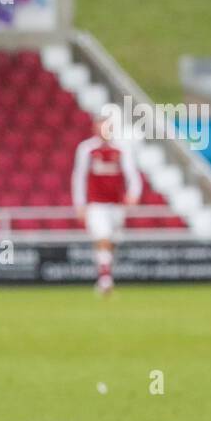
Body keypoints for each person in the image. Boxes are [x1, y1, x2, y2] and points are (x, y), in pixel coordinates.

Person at [72, 112, 140, 295]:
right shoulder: (86, 149)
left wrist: (133, 194)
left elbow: (132, 174)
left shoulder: (122, 148)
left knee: (112, 241)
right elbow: (78, 177)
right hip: (96, 204)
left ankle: (105, 274)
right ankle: (105, 280)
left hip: (116, 205)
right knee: (103, 237)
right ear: (94, 128)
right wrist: (79, 203)